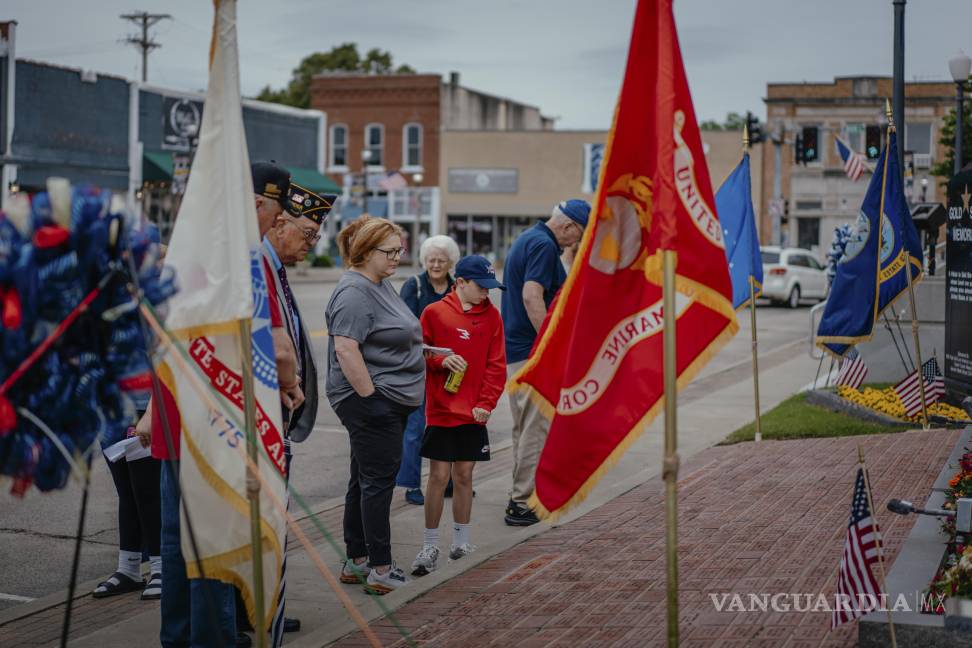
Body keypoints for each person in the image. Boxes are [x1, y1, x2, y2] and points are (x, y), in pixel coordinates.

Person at [152, 161, 301, 648]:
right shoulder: (244, 256)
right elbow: (277, 348)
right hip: (219, 426)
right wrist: (290, 383)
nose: (276, 226)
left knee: (177, 547)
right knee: (216, 545)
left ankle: (177, 638)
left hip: (177, 412)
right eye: (276, 215)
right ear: (256, 202)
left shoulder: (189, 248)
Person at [326, 215, 425, 594]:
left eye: (400, 249)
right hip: (371, 402)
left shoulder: (379, 283)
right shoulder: (354, 292)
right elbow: (345, 348)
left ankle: (357, 560)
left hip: (386, 399)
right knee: (378, 484)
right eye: (391, 251)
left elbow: (387, 336)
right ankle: (381, 569)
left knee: (362, 480)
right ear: (366, 252)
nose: (398, 257)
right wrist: (373, 399)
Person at [260, 182, 334, 645]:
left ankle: (263, 607)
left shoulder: (276, 268)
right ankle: (258, 613)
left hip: (278, 415)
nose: (310, 245)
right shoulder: (261, 266)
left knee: (273, 522)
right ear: (280, 221)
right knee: (264, 521)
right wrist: (289, 384)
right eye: (307, 234)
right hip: (264, 413)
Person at [410, 256, 506, 576]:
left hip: (474, 413)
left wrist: (487, 404)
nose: (486, 294)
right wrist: (441, 363)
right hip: (440, 411)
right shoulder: (434, 313)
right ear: (460, 282)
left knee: (464, 476)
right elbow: (419, 352)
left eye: (490, 288)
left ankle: (461, 542)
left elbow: (496, 366)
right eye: (481, 287)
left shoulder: (492, 317)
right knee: (438, 477)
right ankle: (430, 545)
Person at [501, 199, 590, 526]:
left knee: (523, 429)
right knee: (534, 431)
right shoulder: (543, 245)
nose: (574, 243)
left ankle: (519, 494)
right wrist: (548, 345)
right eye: (576, 236)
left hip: (516, 352)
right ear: (567, 226)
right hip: (529, 352)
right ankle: (522, 503)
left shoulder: (529, 238)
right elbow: (531, 295)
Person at [396, 235, 459, 506]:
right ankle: (411, 485)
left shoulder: (457, 287)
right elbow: (405, 325)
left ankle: (448, 481)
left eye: (441, 260)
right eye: (431, 260)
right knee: (415, 428)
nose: (435, 264)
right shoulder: (415, 286)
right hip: (420, 367)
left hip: (450, 367)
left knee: (450, 425)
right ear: (424, 261)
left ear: (450, 263)